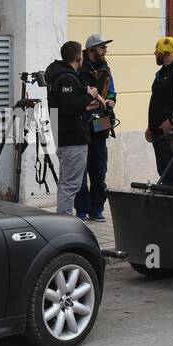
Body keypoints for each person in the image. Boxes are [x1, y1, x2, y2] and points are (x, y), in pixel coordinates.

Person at [45, 40, 98, 216]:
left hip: (62, 136)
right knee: (70, 185)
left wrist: (84, 106)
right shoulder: (67, 77)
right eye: (81, 55)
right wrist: (89, 97)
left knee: (66, 183)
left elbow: (62, 106)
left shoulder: (59, 76)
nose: (82, 58)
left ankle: (63, 220)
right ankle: (65, 224)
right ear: (77, 56)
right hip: (72, 138)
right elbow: (68, 106)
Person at [75, 33, 116, 222]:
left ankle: (97, 208)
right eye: (102, 47)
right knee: (81, 170)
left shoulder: (105, 68)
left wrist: (111, 100)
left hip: (101, 122)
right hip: (82, 122)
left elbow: (113, 91)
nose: (105, 50)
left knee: (99, 168)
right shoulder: (79, 67)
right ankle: (82, 209)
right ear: (92, 49)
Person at [146, 36, 173, 184]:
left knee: (171, 171)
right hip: (157, 131)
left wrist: (172, 121)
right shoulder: (162, 72)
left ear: (166, 53)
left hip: (168, 132)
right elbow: (157, 100)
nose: (155, 54)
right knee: (163, 170)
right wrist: (151, 126)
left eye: (157, 51)